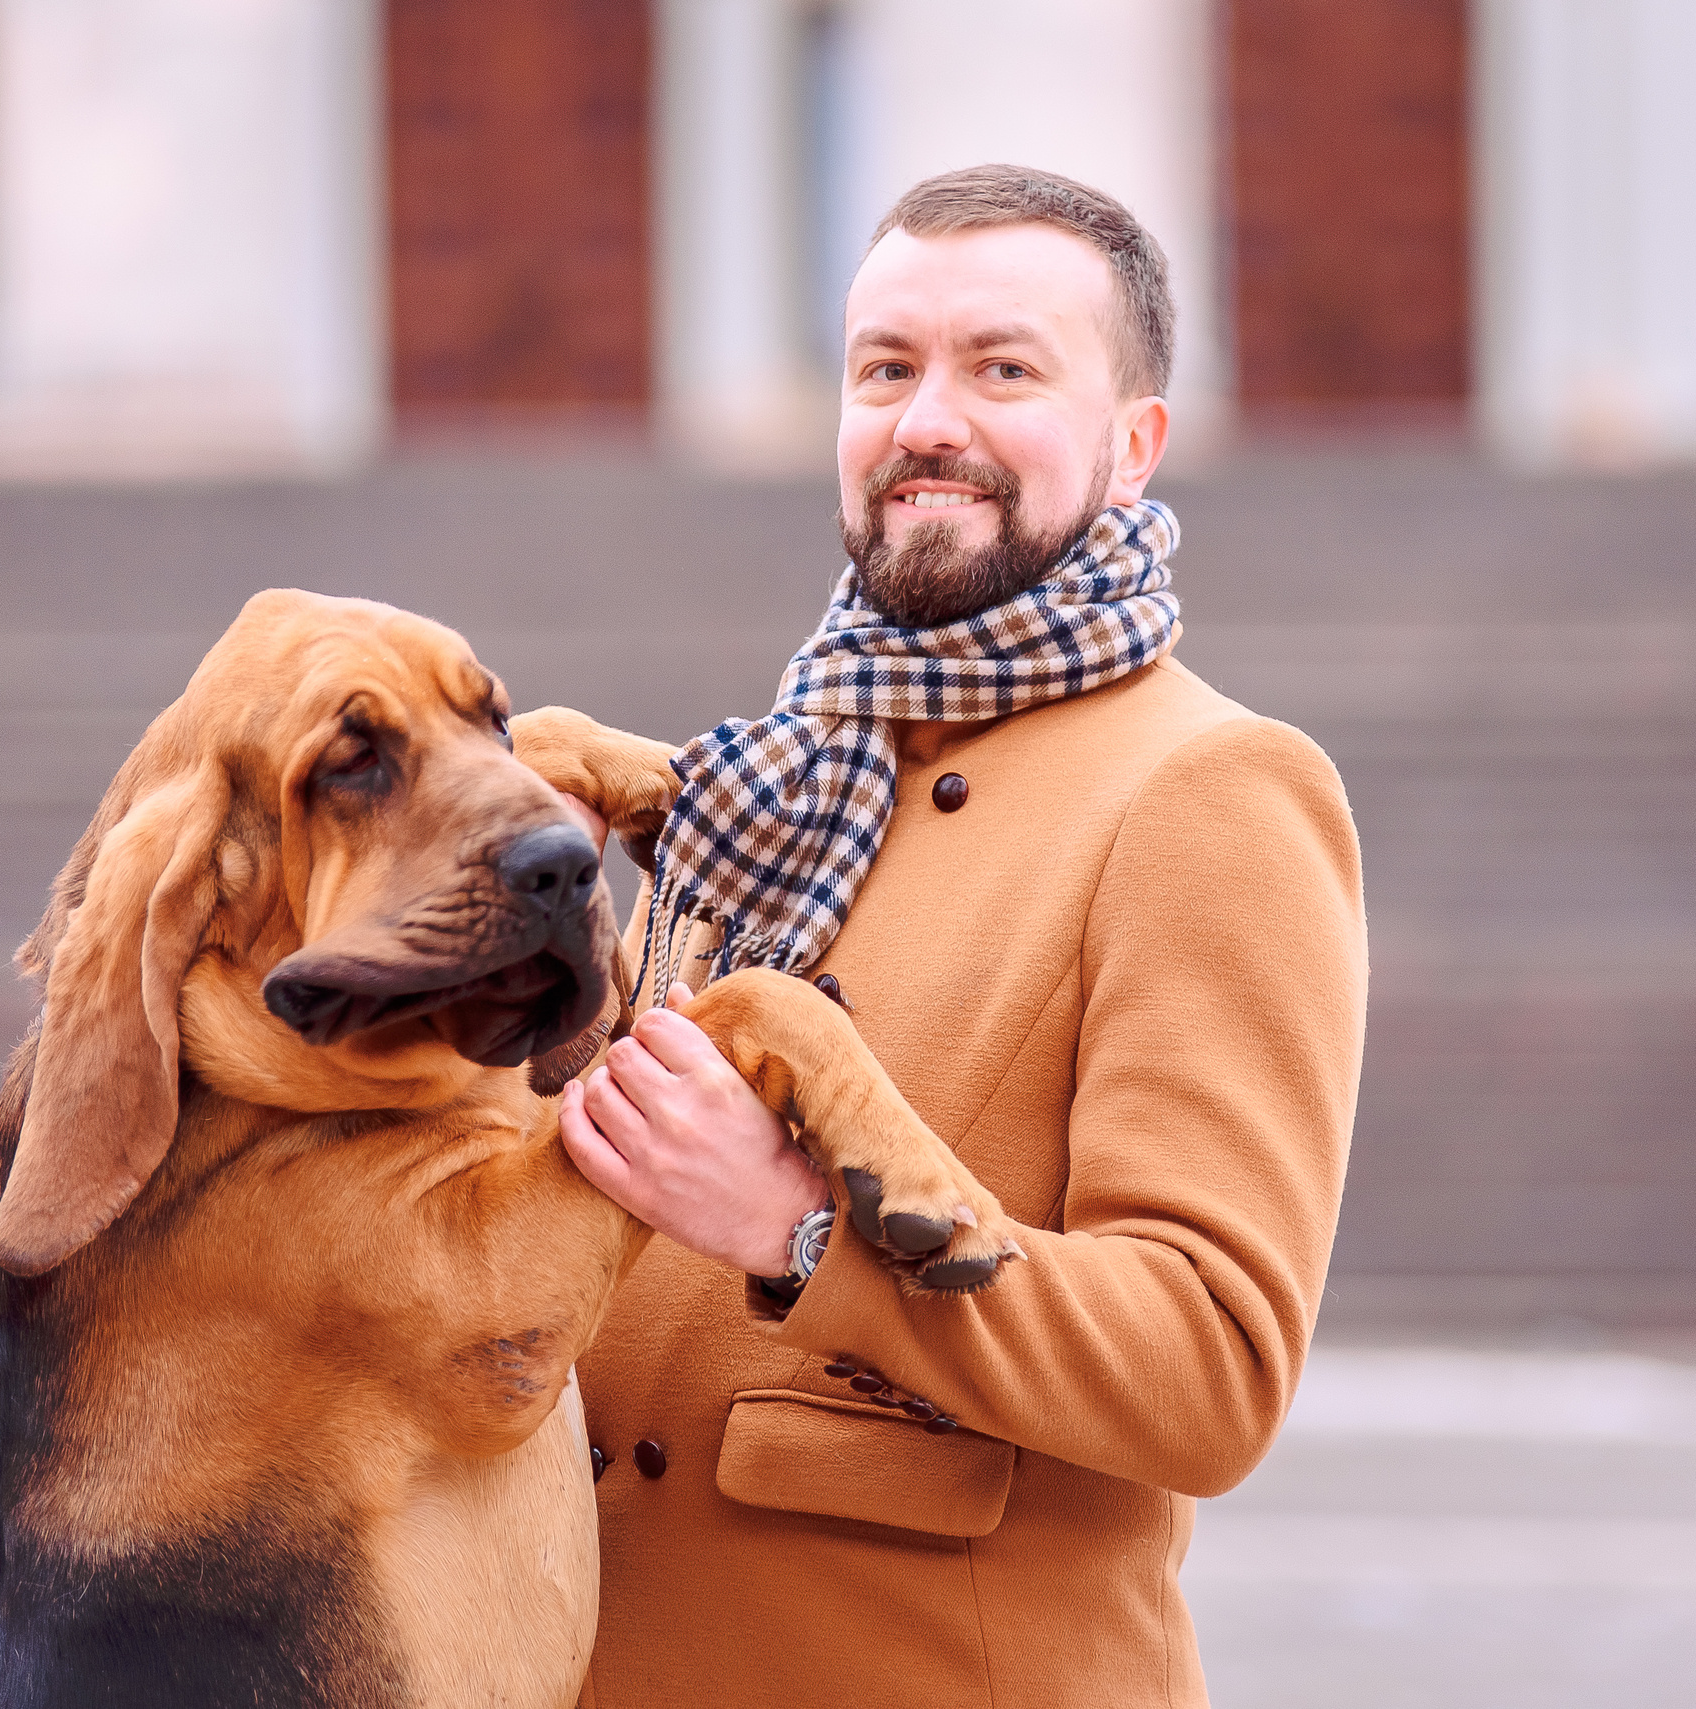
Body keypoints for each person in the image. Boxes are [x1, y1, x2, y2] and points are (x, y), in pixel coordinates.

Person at [554, 164, 1366, 1708]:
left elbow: (1211, 1364)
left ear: (1135, 446)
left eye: (1003, 368)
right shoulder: (768, 777)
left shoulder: (1212, 792)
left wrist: (803, 1233)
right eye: (886, 369)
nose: (929, 419)